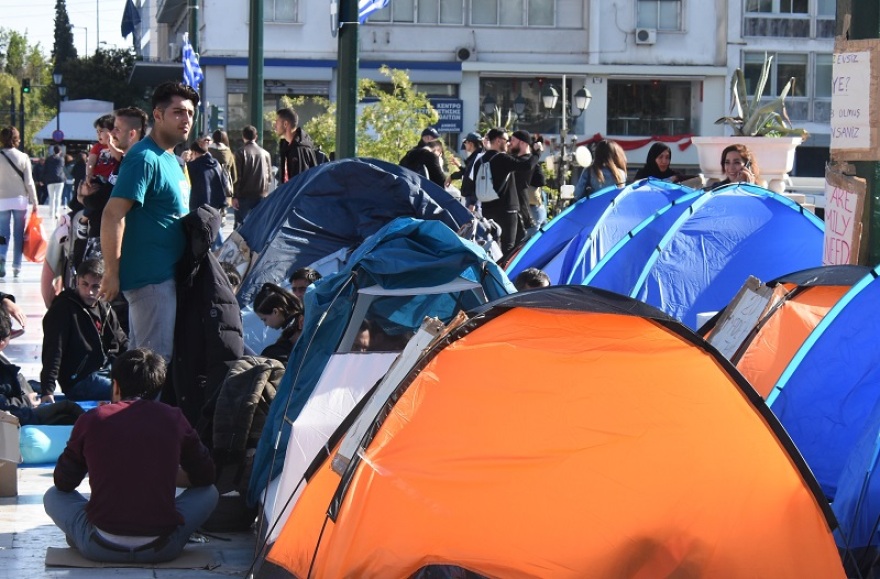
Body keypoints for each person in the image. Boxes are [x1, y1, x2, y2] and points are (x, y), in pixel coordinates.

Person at [44, 348, 218, 564]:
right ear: (157, 388)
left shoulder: (94, 418)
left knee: (53, 495)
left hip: (99, 546)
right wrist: (163, 473)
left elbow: (63, 482)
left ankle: (81, 535)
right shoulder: (173, 417)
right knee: (209, 493)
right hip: (161, 548)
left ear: (115, 386)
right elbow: (206, 476)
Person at [99, 82, 199, 364]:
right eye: (178, 112)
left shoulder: (171, 160)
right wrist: (111, 272)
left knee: (144, 364)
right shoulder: (144, 157)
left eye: (190, 113)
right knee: (152, 364)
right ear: (157, 114)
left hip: (166, 277)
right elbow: (112, 214)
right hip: (151, 279)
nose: (186, 119)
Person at [40, 259, 128, 403]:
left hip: (106, 371)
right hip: (79, 380)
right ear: (77, 281)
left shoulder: (104, 307)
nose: (89, 292)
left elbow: (121, 341)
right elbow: (53, 350)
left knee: (137, 385)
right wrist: (47, 390)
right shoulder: (63, 309)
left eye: (96, 286)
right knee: (127, 392)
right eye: (85, 284)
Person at [472, 127, 543, 257]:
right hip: (507, 209)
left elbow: (473, 183)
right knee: (509, 247)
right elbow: (526, 165)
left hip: (487, 208)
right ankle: (506, 269)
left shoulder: (480, 161)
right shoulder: (502, 158)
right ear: (498, 141)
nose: (508, 143)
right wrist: (537, 153)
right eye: (506, 140)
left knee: (491, 245)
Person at [0, 127, 40, 279]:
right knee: (19, 234)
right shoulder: (23, 157)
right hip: (20, 200)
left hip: (2, 200)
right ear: (17, 139)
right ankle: (17, 266)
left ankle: (2, 256)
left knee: (3, 233)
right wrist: (35, 201)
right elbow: (29, 182)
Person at [232, 125, 272, 228]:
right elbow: (269, 177)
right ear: (256, 136)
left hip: (243, 196)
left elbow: (237, 177)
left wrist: (234, 196)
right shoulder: (266, 154)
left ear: (243, 136)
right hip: (261, 195)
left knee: (240, 228)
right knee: (258, 227)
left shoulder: (240, 153)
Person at [254, 283, 304, 364]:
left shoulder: (297, 332)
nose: (265, 325)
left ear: (275, 312)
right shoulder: (294, 328)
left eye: (264, 319)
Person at [275, 107, 320, 184]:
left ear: (285, 124)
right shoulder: (287, 146)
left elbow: (301, 182)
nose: (275, 126)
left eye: (277, 122)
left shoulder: (300, 149)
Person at [186, 140, 228, 213]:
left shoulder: (192, 166)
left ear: (194, 152)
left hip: (198, 206)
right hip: (216, 205)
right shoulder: (216, 164)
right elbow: (224, 182)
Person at [450, 131, 484, 210]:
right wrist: (453, 175)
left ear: (471, 144)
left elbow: (477, 180)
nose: (465, 145)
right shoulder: (474, 157)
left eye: (466, 143)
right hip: (471, 198)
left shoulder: (478, 158)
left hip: (473, 200)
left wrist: (473, 202)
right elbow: (467, 172)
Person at [43, 145, 66, 219]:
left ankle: (51, 213)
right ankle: (57, 213)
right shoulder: (61, 159)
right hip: (59, 180)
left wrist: (44, 179)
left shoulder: (48, 159)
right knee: (58, 197)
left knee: (51, 197)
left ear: (53, 151)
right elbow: (62, 167)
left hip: (50, 180)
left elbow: (45, 169)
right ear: (60, 151)